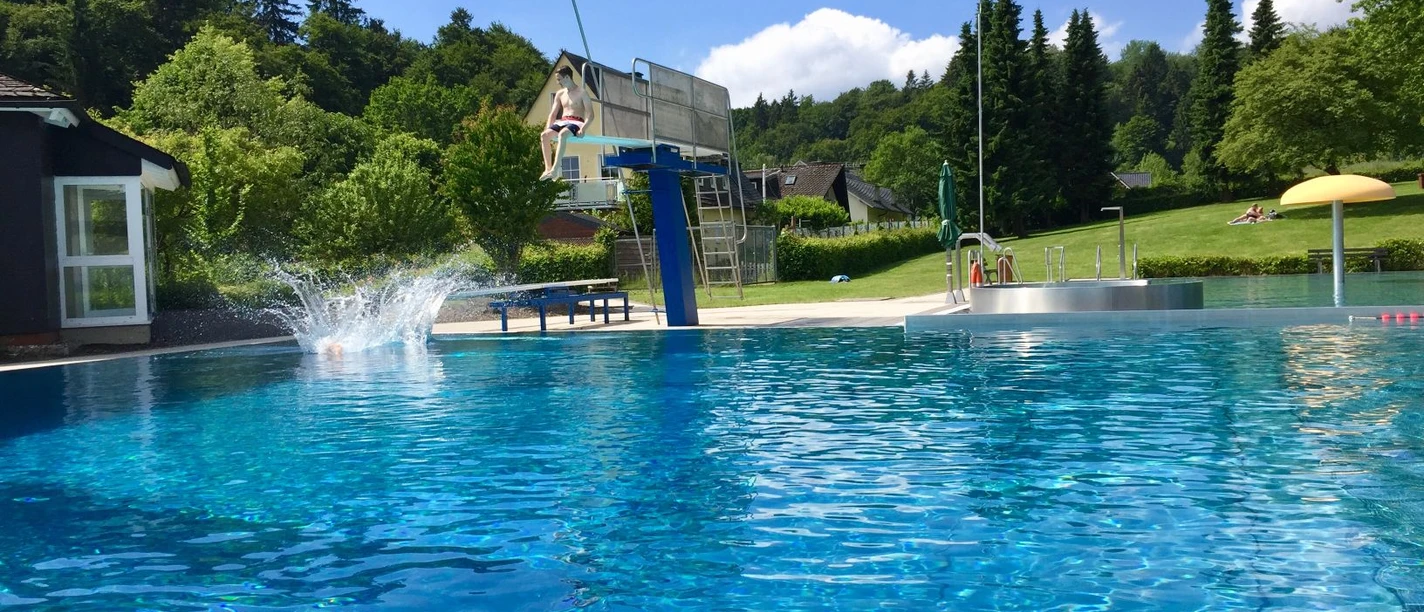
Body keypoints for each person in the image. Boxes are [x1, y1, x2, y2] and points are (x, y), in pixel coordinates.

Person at [539, 65, 595, 181]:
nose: (558, 82)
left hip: (576, 121)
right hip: (563, 121)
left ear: (567, 78)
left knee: (562, 134)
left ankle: (555, 170)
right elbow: (553, 114)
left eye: (559, 79)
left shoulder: (582, 93)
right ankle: (547, 169)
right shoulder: (560, 94)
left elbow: (590, 115)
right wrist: (548, 130)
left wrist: (583, 129)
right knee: (544, 135)